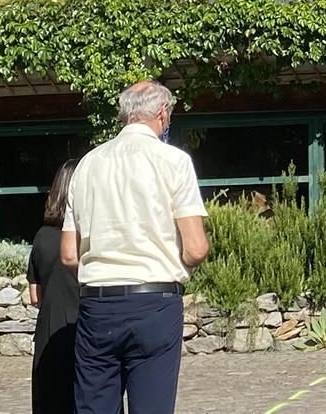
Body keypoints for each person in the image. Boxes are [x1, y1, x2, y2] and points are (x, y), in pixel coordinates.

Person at [61, 81, 209, 414]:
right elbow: (196, 248)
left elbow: (69, 253)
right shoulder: (174, 161)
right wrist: (179, 259)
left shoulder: (87, 164)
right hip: (154, 298)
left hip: (97, 301)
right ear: (163, 112)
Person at [29, 159, 80, 414]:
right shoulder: (87, 238)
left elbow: (34, 296)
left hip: (49, 331)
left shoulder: (42, 236)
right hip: (85, 326)